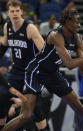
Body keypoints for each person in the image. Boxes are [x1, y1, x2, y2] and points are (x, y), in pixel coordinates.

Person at [1, 8, 83, 131]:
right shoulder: (55, 35)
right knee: (26, 115)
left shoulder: (78, 39)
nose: (79, 25)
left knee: (81, 110)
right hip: (36, 72)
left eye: (79, 22)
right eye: (76, 22)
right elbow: (69, 64)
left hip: (53, 74)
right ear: (67, 21)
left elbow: (82, 68)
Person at [0, 0, 49, 130]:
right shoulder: (7, 26)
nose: (15, 13)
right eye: (12, 11)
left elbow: (45, 51)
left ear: (22, 12)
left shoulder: (30, 28)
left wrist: (41, 69)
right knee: (3, 95)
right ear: (7, 13)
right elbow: (4, 42)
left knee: (35, 107)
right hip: (16, 69)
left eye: (17, 11)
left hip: (31, 71)